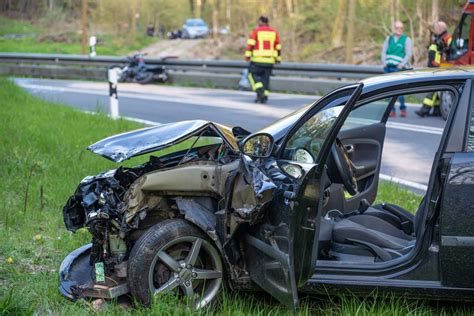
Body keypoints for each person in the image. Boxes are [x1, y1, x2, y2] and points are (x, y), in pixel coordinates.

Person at [415, 21, 452, 117]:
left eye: (436, 28)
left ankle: (424, 110)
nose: (435, 30)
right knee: (437, 89)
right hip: (433, 66)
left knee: (433, 88)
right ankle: (437, 110)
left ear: (440, 28)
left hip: (439, 67)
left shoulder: (447, 38)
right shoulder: (437, 38)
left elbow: (450, 52)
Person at [244, 16, 281, 104]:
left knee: (251, 75)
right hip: (269, 61)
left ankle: (260, 92)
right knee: (266, 79)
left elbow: (250, 44)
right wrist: (278, 59)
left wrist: (247, 56)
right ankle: (265, 96)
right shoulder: (274, 32)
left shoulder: (256, 31)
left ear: (260, 22)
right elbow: (278, 47)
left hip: (257, 60)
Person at [381, 21, 413, 117]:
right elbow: (383, 51)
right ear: (394, 28)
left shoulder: (406, 39)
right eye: (397, 28)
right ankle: (391, 110)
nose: (399, 30)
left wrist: (401, 64)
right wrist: (384, 62)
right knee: (388, 90)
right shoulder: (389, 39)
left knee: (399, 91)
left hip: (398, 68)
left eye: (401, 28)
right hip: (388, 68)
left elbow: (408, 54)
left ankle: (403, 108)